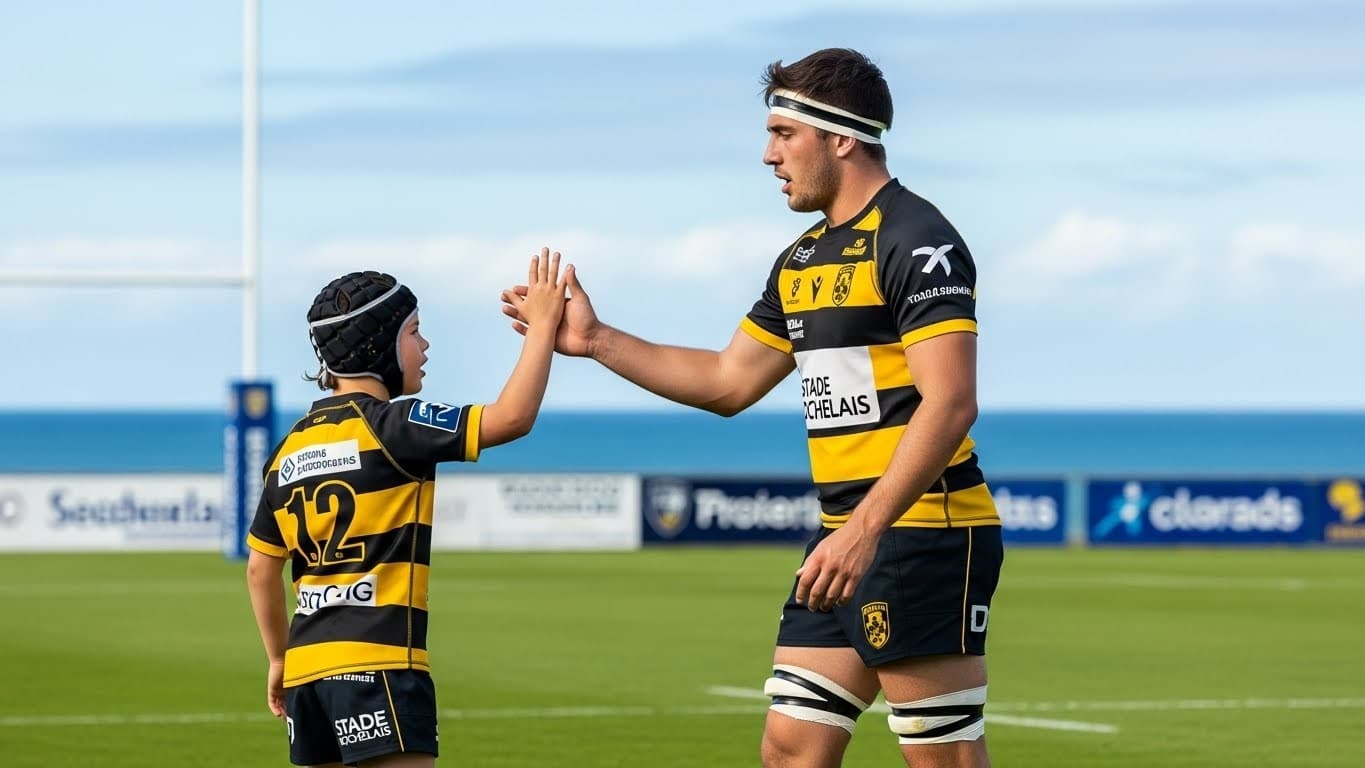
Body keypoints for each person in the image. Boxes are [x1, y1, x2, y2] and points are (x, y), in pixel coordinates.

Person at [502, 49, 1003, 767]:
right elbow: (727, 381)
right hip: (842, 537)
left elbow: (951, 402)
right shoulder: (801, 260)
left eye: (782, 134)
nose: (768, 155)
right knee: (790, 750)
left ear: (840, 136)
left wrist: (865, 530)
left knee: (940, 758)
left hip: (919, 531)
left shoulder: (915, 240)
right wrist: (597, 340)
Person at [246, 249, 568, 768]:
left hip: (307, 678)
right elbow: (511, 418)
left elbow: (262, 568)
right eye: (414, 331)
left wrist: (280, 658)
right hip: (381, 666)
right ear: (378, 345)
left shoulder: (288, 452)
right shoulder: (395, 425)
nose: (425, 345)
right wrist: (544, 327)